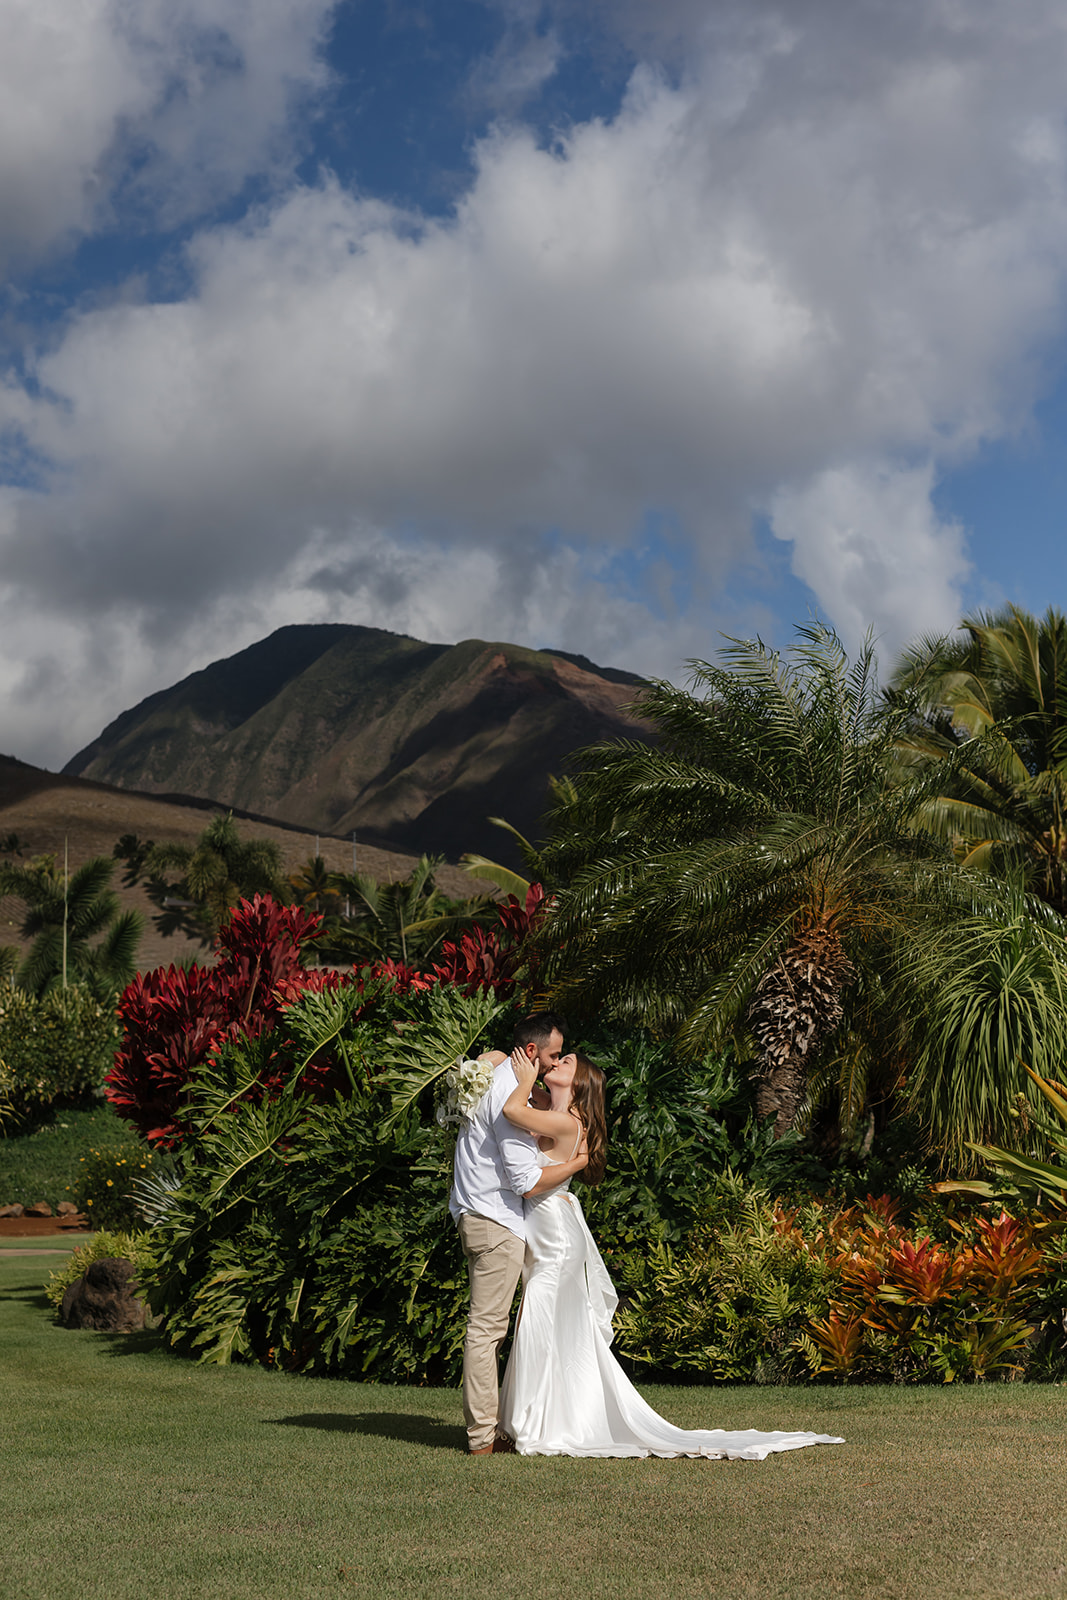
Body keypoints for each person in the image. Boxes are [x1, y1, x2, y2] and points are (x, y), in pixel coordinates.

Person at [498, 1048, 845, 1460]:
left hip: (555, 1235)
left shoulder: (563, 1121)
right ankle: (546, 1418)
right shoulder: (562, 1117)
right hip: (554, 1230)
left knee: (540, 1319)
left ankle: (531, 1424)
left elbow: (511, 1110)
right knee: (553, 1327)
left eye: (566, 1063)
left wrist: (521, 1081)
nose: (556, 1064)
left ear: (578, 1085)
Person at [448, 1011, 587, 1455]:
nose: (555, 1062)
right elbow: (525, 1180)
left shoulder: (489, 1072)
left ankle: (502, 1425)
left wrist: (487, 1057)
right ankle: (482, 1438)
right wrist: (577, 1164)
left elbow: (475, 1075)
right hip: (497, 1223)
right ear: (531, 1052)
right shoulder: (512, 1095)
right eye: (551, 1055)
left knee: (494, 1328)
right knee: (487, 1331)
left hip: (472, 1214)